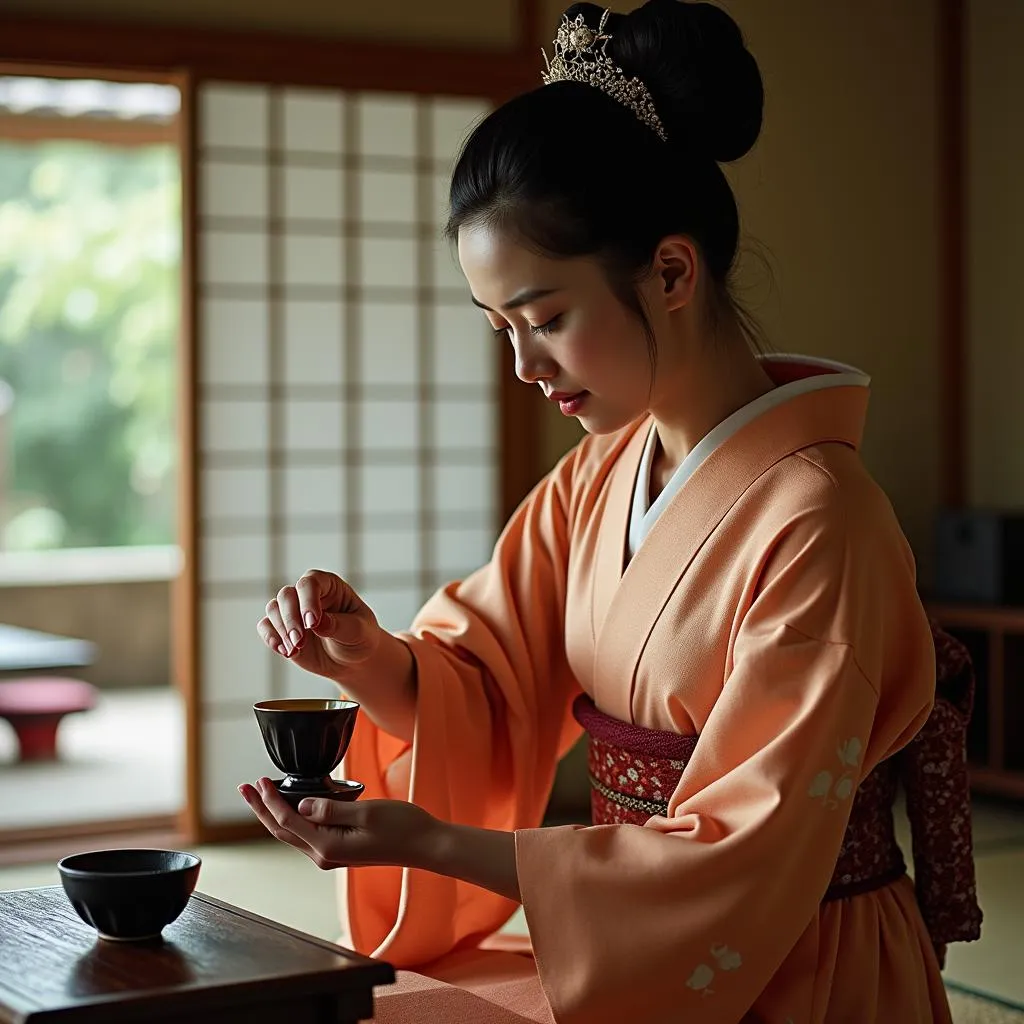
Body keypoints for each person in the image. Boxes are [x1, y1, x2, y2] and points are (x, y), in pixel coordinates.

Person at [240, 2, 981, 1020]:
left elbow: (744, 849)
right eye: (501, 326)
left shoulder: (821, 519)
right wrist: (364, 657)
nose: (522, 365)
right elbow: (493, 683)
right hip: (632, 932)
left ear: (671, 271)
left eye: (545, 318)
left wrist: (431, 841)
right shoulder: (601, 475)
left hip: (798, 960)